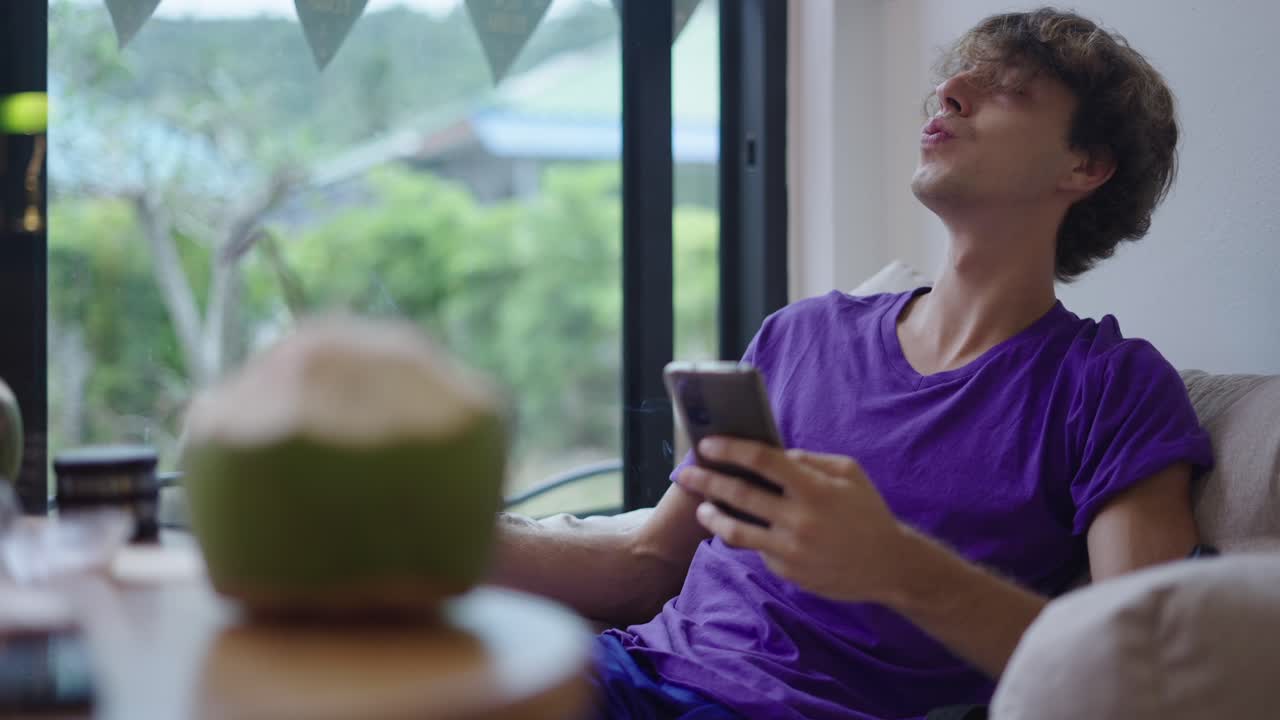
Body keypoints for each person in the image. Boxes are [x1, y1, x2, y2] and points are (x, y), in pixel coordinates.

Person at [492, 8, 1214, 719]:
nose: (949, 91)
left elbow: (1135, 675)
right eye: (955, 80)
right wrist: (442, 544)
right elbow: (647, 566)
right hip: (623, 676)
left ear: (1086, 165)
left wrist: (893, 562)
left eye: (1010, 90)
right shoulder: (801, 335)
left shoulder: (1112, 387)